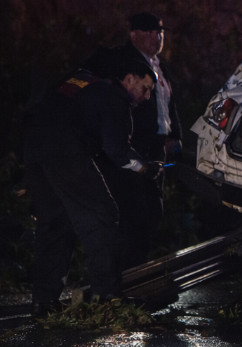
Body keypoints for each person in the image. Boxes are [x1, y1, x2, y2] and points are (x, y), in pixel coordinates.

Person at [22, 60, 160, 317]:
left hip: (33, 147)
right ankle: (107, 298)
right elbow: (117, 150)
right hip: (65, 150)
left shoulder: (80, 81)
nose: (147, 96)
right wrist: (145, 168)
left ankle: (44, 302)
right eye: (145, 88)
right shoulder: (113, 95)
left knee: (56, 222)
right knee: (102, 215)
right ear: (129, 79)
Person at [82, 12, 182, 267]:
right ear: (134, 34)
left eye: (160, 32)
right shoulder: (121, 59)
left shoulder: (160, 68)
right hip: (129, 145)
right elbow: (90, 79)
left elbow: (168, 106)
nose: (156, 38)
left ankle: (133, 268)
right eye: (150, 32)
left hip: (156, 147)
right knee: (132, 209)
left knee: (152, 209)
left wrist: (174, 136)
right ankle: (123, 270)